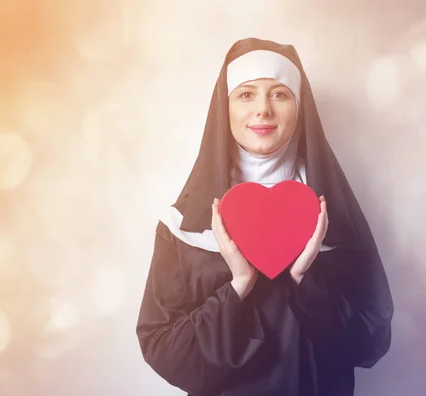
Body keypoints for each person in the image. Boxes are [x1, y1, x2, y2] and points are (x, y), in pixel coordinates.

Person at [136, 37, 394, 396]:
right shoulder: (183, 226)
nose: (263, 110)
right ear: (224, 109)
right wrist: (238, 285)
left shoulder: (333, 215)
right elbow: (164, 351)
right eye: (246, 94)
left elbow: (371, 343)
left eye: (279, 94)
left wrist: (306, 279)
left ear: (300, 107)